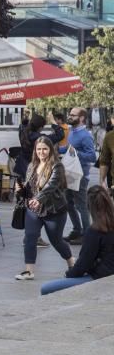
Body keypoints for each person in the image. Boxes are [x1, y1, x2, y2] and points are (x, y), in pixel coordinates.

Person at [13, 137, 74, 280]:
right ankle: (29, 271)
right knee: (30, 237)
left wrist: (38, 199)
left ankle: (71, 262)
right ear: (35, 150)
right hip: (33, 210)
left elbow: (50, 187)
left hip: (54, 210)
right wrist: (20, 190)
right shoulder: (31, 166)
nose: (42, 152)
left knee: (56, 241)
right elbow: (28, 189)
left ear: (50, 150)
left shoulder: (57, 166)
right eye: (39, 149)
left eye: (45, 149)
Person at [41, 186, 114, 295]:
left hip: (100, 278)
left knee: (46, 288)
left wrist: (68, 275)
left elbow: (83, 265)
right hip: (108, 274)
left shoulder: (94, 231)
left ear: (90, 207)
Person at [64, 107, 97, 245]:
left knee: (81, 206)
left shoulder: (86, 135)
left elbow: (92, 157)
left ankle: (87, 235)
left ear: (82, 118)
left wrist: (76, 153)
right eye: (69, 114)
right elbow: (69, 149)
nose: (69, 116)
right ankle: (77, 230)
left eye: (73, 115)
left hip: (80, 176)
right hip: (69, 173)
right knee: (68, 204)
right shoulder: (72, 131)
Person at [15, 113, 64, 178]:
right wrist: (53, 122)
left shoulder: (22, 131)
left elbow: (23, 124)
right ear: (40, 127)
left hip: (22, 165)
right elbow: (60, 135)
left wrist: (28, 119)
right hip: (33, 167)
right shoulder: (39, 137)